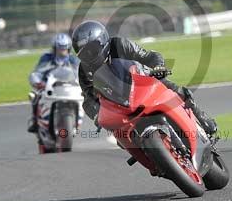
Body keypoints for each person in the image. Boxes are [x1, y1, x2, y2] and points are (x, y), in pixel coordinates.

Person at [71, 20, 218, 137]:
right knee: (118, 135)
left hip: (142, 81)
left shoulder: (119, 45)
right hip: (117, 102)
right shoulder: (84, 70)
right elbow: (88, 99)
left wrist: (158, 67)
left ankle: (201, 118)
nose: (90, 55)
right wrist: (97, 115)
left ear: (102, 41)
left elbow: (148, 56)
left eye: (92, 49)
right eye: (85, 53)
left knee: (175, 90)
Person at [27, 33, 80, 133]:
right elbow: (38, 72)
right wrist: (38, 82)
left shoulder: (73, 59)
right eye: (60, 49)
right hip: (49, 87)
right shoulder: (46, 58)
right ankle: (35, 122)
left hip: (69, 87)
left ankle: (82, 119)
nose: (62, 52)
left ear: (68, 49)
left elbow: (80, 73)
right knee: (35, 97)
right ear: (54, 49)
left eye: (65, 49)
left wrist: (82, 81)